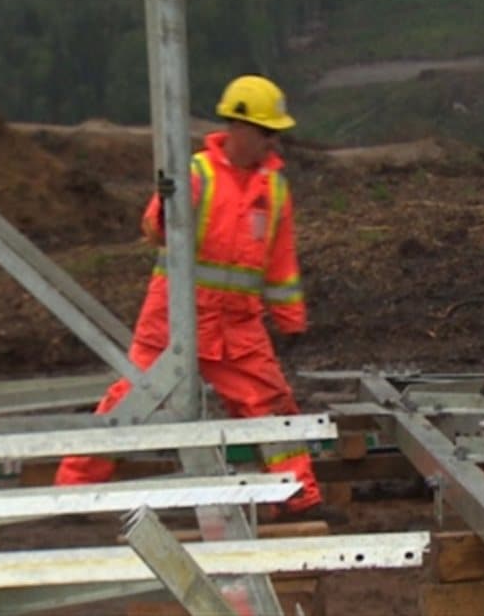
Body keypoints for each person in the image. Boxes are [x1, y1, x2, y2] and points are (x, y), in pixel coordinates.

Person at [55, 75, 332, 522]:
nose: (273, 142)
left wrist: (290, 318)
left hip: (236, 326)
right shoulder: (197, 174)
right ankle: (72, 492)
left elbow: (281, 262)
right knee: (130, 402)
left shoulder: (273, 189)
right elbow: (156, 231)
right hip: (174, 321)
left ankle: (299, 496)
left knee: (272, 406)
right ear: (240, 128)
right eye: (267, 131)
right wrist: (166, 206)